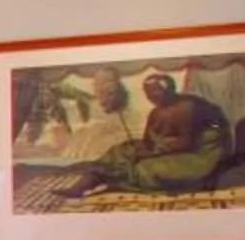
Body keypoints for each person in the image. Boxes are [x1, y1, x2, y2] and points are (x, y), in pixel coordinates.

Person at [70, 69, 233, 195]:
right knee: (122, 150)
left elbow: (186, 143)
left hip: (201, 153)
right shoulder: (156, 112)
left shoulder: (187, 107)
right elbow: (147, 140)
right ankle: (86, 184)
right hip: (168, 148)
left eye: (156, 91)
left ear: (170, 89)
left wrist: (151, 152)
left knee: (145, 168)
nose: (151, 96)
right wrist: (141, 149)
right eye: (148, 93)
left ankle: (112, 180)